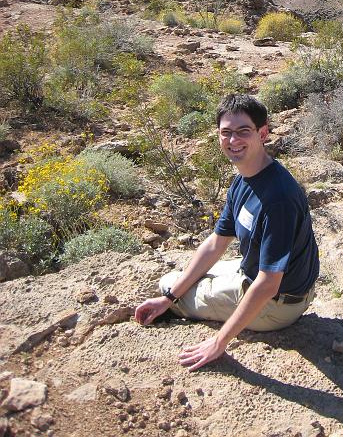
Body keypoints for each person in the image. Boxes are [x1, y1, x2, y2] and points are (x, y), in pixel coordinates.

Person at [134, 93, 320, 370]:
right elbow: (216, 243)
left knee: (169, 284)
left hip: (278, 304)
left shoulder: (278, 199)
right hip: (261, 276)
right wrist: (169, 296)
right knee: (173, 286)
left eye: (243, 131)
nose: (233, 141)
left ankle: (200, 306)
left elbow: (268, 283)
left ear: (263, 133)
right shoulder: (244, 179)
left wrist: (219, 342)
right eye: (226, 133)